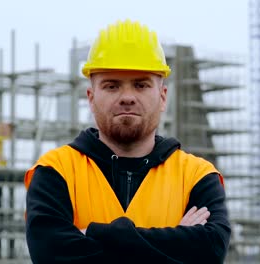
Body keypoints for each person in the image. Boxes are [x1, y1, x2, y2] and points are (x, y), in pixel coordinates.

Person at [24, 19, 230, 263]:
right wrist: (179, 241)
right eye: (112, 86)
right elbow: (51, 254)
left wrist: (93, 233)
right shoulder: (55, 171)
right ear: (90, 98)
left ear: (163, 97)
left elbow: (209, 253)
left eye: (141, 85)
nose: (127, 97)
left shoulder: (197, 177)